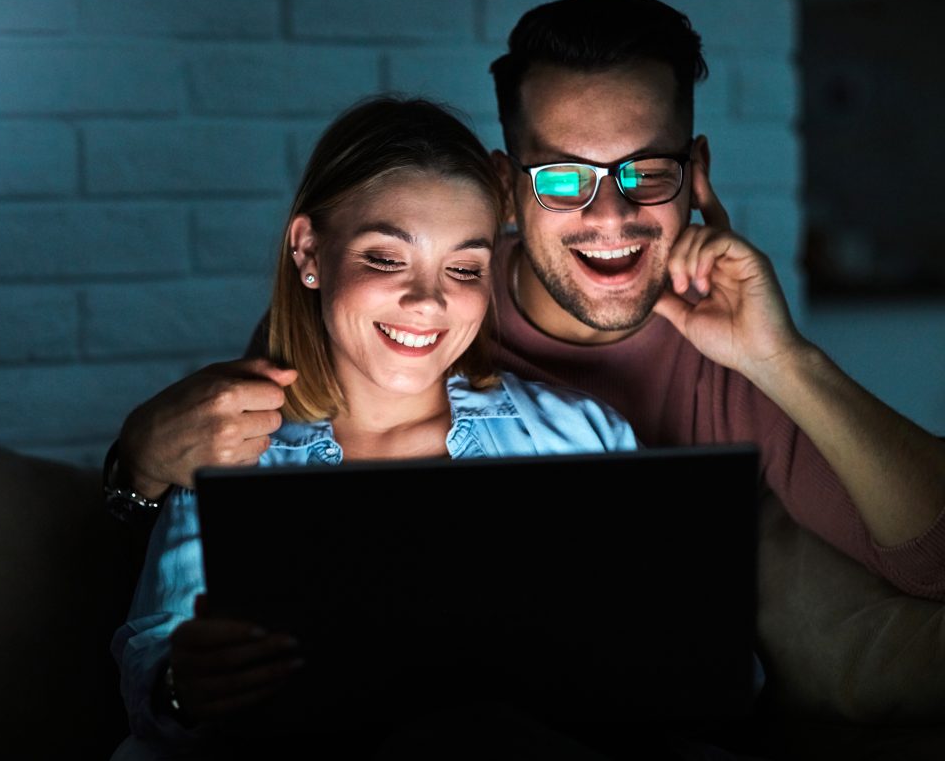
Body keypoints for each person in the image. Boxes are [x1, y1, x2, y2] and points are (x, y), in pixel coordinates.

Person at [103, 0, 945, 602]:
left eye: (646, 171)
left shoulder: (724, 358)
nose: (608, 212)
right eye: (563, 175)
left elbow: (929, 563)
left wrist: (782, 357)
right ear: (507, 187)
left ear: (695, 175)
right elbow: (207, 550)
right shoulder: (377, 319)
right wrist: (136, 464)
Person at [109, 96, 642, 759]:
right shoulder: (233, 451)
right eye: (387, 259)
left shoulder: (581, 438)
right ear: (309, 251)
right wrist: (185, 686)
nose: (428, 300)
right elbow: (152, 679)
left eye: (464, 267)